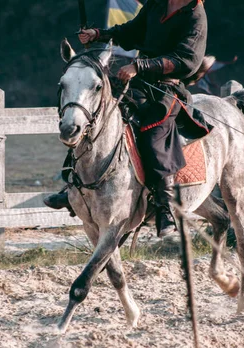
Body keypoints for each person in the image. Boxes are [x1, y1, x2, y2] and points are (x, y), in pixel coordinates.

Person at [45, 0, 211, 237]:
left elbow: (186, 60)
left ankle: (164, 207)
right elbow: (132, 31)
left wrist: (140, 66)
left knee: (154, 132)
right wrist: (99, 34)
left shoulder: (195, 16)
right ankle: (74, 186)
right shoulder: (157, 5)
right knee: (97, 119)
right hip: (139, 82)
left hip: (168, 88)